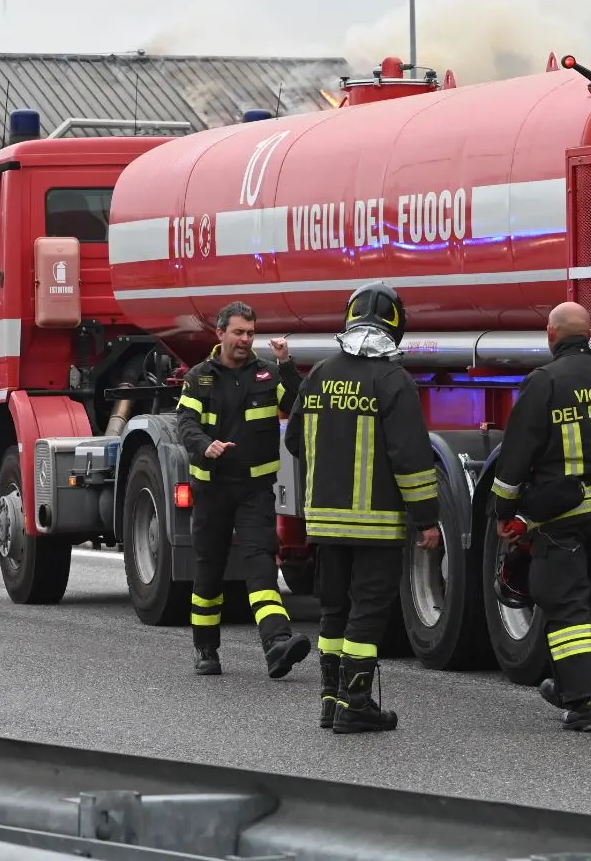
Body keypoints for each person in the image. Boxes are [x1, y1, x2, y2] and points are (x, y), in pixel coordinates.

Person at [284, 281, 441, 734]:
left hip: (324, 522)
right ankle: (356, 704)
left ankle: (331, 702)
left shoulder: (318, 374)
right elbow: (411, 459)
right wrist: (427, 520)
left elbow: (294, 440)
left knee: (333, 610)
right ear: (396, 325)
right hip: (375, 524)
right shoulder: (393, 381)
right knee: (368, 611)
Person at [487, 301, 591, 733]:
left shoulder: (544, 382)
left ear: (551, 335)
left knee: (566, 604)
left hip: (562, 515)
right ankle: (585, 683)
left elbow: (517, 455)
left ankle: (585, 702)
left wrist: (504, 511)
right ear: (589, 334)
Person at [175, 301, 311, 679]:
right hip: (212, 488)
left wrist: (286, 364)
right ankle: (206, 648)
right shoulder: (199, 378)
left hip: (255, 490)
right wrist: (205, 446)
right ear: (220, 333)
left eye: (250, 333)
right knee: (210, 570)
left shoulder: (268, 374)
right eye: (238, 332)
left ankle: (277, 643)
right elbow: (185, 423)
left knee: (261, 562)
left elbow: (299, 404)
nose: (245, 340)